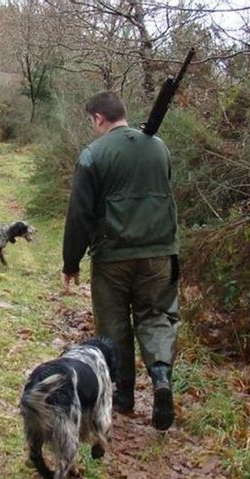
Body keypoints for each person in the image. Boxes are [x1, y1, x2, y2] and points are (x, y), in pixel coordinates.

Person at [61, 90, 179, 431]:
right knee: (157, 317)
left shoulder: (93, 154)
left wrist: (71, 262)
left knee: (113, 324)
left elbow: (79, 215)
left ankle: (123, 395)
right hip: (160, 252)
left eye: (91, 121)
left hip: (112, 256)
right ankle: (161, 379)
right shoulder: (160, 147)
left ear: (99, 118)